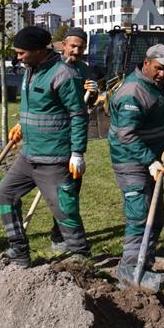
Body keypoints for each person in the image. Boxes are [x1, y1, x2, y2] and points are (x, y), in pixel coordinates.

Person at [0, 26, 91, 267]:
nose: (18, 57)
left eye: (22, 52)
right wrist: (22, 124)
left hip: (54, 158)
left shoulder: (63, 75)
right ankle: (19, 250)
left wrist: (77, 153)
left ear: (38, 50)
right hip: (28, 155)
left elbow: (78, 115)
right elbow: (40, 107)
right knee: (5, 194)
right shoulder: (31, 70)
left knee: (64, 210)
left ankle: (81, 257)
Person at [108, 44, 164, 284]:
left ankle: (144, 263)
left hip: (152, 160)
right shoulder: (132, 92)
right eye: (159, 68)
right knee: (139, 214)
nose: (163, 74)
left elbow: (156, 104)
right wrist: (150, 161)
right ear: (146, 63)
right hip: (131, 160)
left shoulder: (154, 83)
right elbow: (126, 135)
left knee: (155, 214)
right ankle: (129, 270)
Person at [43, 26, 102, 253]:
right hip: (52, 135)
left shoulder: (83, 70)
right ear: (64, 45)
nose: (76, 51)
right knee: (58, 189)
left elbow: (88, 103)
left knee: (72, 188)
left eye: (81, 47)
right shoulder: (52, 67)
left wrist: (93, 92)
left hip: (74, 136)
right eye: (73, 46)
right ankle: (59, 236)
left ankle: (59, 234)